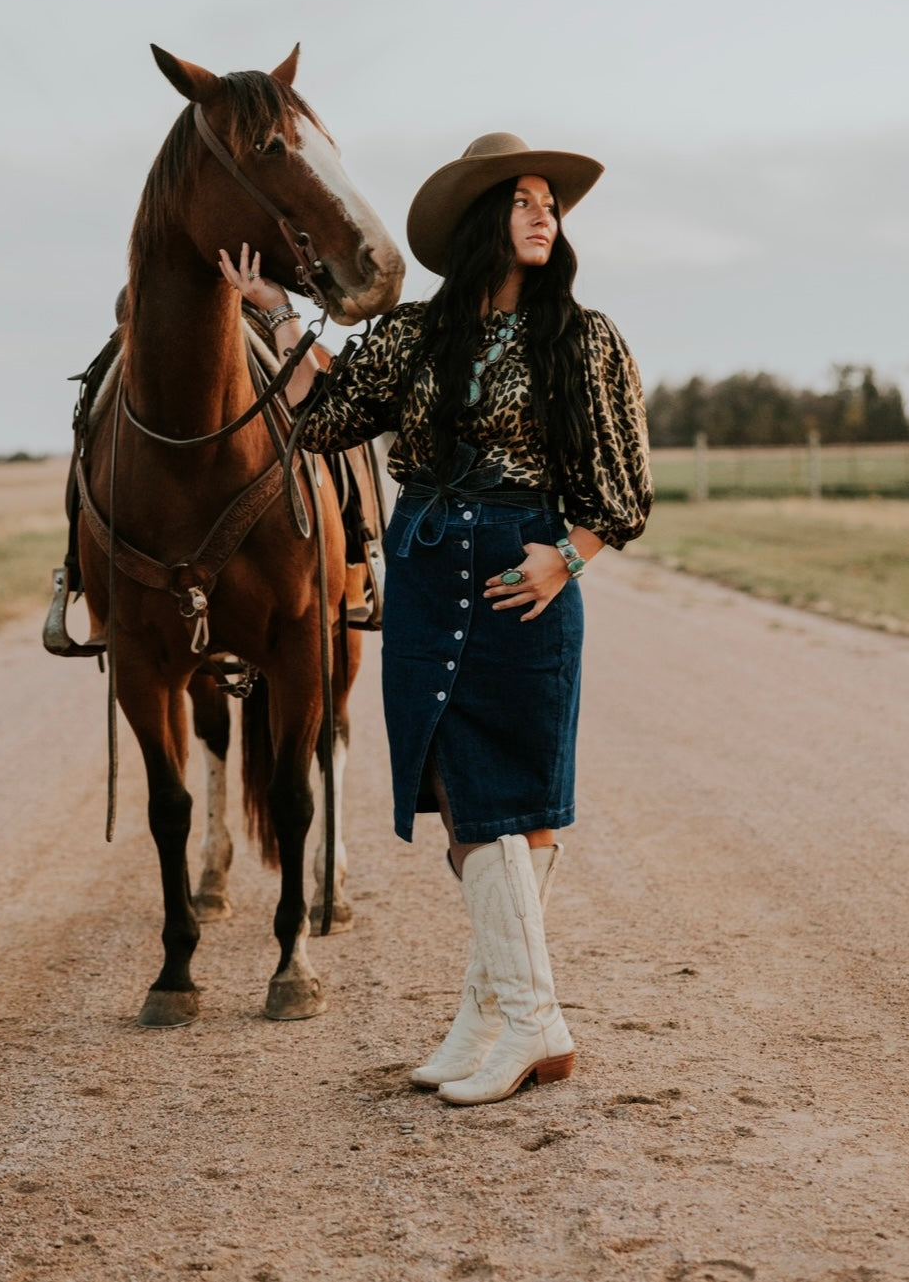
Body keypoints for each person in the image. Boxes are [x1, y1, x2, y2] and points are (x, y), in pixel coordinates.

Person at [218, 131, 652, 1106]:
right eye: (524, 198)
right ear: (478, 223)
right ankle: (496, 1013)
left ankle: (528, 1017)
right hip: (422, 563)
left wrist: (567, 556)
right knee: (461, 795)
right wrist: (280, 317)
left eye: (551, 202)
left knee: (516, 798)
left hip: (520, 572)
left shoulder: (583, 338)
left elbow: (626, 485)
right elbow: (324, 418)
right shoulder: (415, 336)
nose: (546, 212)